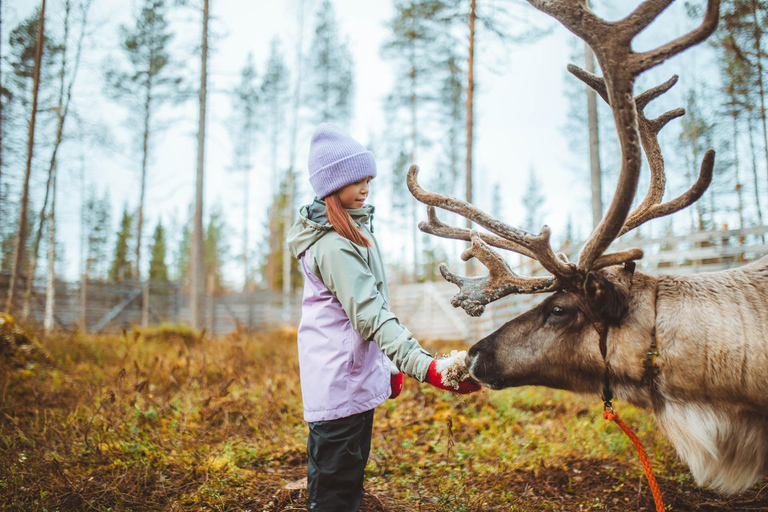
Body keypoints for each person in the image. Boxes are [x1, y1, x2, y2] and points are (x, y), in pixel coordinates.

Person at [287, 123, 481, 511]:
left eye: (368, 179)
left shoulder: (354, 233)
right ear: (331, 186)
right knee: (334, 495)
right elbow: (372, 317)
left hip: (350, 380)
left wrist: (387, 369)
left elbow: (364, 316)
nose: (365, 187)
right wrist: (424, 367)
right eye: (356, 180)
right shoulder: (333, 246)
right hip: (337, 386)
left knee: (347, 484)